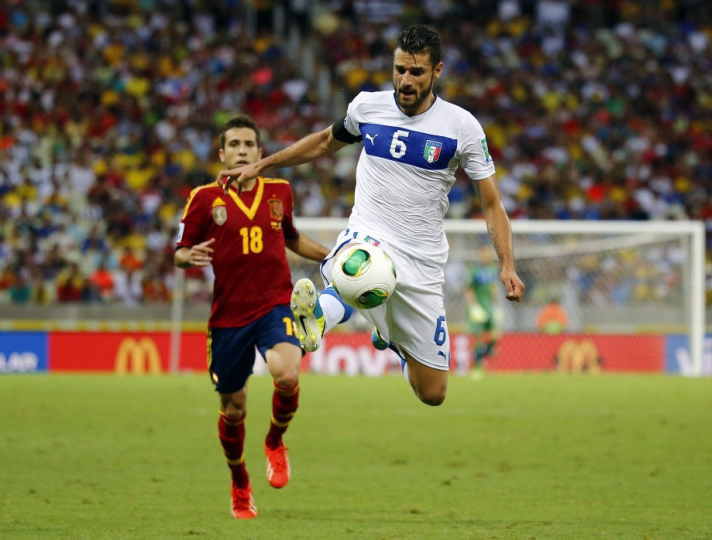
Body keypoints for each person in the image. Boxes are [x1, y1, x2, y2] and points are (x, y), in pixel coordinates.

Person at [219, 25, 525, 407]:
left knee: (432, 393)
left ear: (437, 71)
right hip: (369, 235)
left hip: (422, 260)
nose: (405, 80)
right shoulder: (367, 107)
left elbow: (492, 202)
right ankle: (317, 316)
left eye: (416, 72)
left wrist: (507, 265)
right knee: (360, 271)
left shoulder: (461, 127)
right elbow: (325, 142)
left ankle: (389, 335)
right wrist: (262, 165)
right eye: (399, 69)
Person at [174, 114, 329, 519]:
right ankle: (239, 480)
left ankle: (275, 442)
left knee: (288, 375)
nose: (242, 151)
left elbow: (292, 239)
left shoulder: (280, 190)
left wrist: (333, 258)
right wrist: (187, 256)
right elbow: (180, 250)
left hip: (276, 305)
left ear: (260, 153)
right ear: (221, 153)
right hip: (228, 319)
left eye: (249, 145)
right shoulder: (204, 198)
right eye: (234, 145)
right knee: (234, 409)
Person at [465, 246, 501, 376]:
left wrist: (496, 305)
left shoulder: (492, 269)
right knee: (478, 337)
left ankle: (485, 352)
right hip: (477, 307)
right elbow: (468, 289)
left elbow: (493, 288)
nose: (486, 256)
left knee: (496, 335)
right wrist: (474, 307)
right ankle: (477, 366)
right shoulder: (474, 270)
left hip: (489, 306)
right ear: (480, 255)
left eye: (488, 254)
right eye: (484, 254)